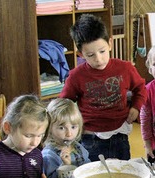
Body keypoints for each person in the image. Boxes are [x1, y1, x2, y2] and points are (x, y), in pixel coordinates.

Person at [59, 14, 146, 161]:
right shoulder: (76, 76)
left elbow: (141, 88)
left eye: (102, 51)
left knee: (122, 174)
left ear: (110, 43)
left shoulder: (125, 68)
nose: (98, 59)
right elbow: (63, 103)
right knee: (92, 176)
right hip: (90, 137)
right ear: (81, 54)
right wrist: (69, 127)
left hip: (120, 134)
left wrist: (136, 107)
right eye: (90, 55)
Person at [42, 98, 90, 178]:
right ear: (49, 128)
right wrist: (65, 166)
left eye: (73, 127)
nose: (69, 133)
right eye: (61, 128)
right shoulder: (49, 155)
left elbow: (87, 168)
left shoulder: (78, 147)